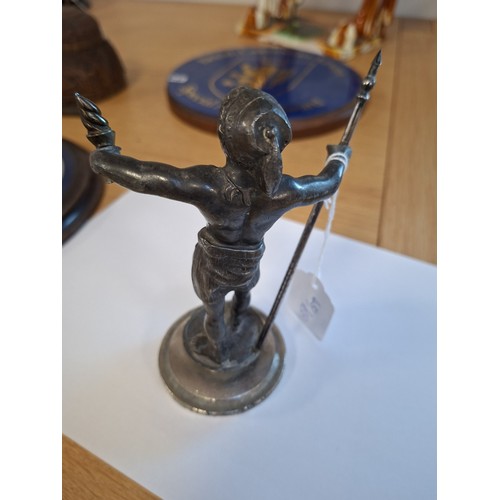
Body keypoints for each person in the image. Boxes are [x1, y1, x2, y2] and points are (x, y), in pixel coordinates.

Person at [88, 86, 350, 366]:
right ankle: (239, 318)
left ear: (225, 140)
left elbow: (144, 178)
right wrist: (339, 155)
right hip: (249, 265)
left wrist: (105, 157)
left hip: (213, 269)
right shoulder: (287, 191)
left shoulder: (210, 186)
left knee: (213, 314)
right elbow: (328, 183)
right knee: (244, 292)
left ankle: (219, 352)